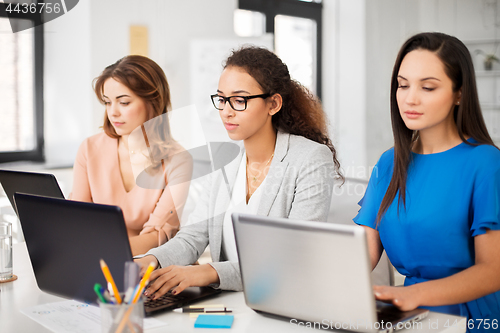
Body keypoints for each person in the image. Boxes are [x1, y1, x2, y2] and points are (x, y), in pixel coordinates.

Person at [135, 46, 343, 296]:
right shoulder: (225, 161)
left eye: (239, 100)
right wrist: (149, 261)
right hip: (230, 303)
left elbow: (294, 257)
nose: (226, 111)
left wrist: (209, 272)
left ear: (273, 104)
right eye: (222, 99)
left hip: (284, 301)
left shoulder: (309, 158)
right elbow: (191, 238)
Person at [354, 32, 500, 332]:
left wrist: (410, 294)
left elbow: (493, 271)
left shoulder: (485, 163)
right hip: (409, 316)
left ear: (459, 93)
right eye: (402, 85)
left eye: (428, 87)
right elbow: (363, 252)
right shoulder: (389, 163)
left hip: (469, 318)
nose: (410, 98)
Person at [71, 55, 192, 256]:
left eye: (124, 103)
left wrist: (104, 251)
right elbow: (77, 220)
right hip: (92, 259)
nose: (113, 113)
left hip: (145, 264)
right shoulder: (89, 148)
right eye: (107, 103)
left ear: (153, 102)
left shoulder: (178, 160)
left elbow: (157, 235)